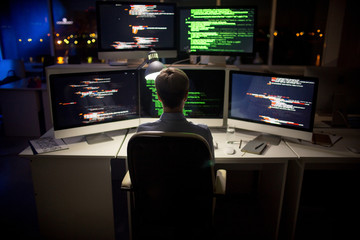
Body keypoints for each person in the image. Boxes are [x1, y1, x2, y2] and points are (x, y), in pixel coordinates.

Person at [137, 67, 214, 155]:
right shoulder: (202, 133)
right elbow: (210, 167)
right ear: (186, 96)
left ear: (158, 96)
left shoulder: (142, 132)